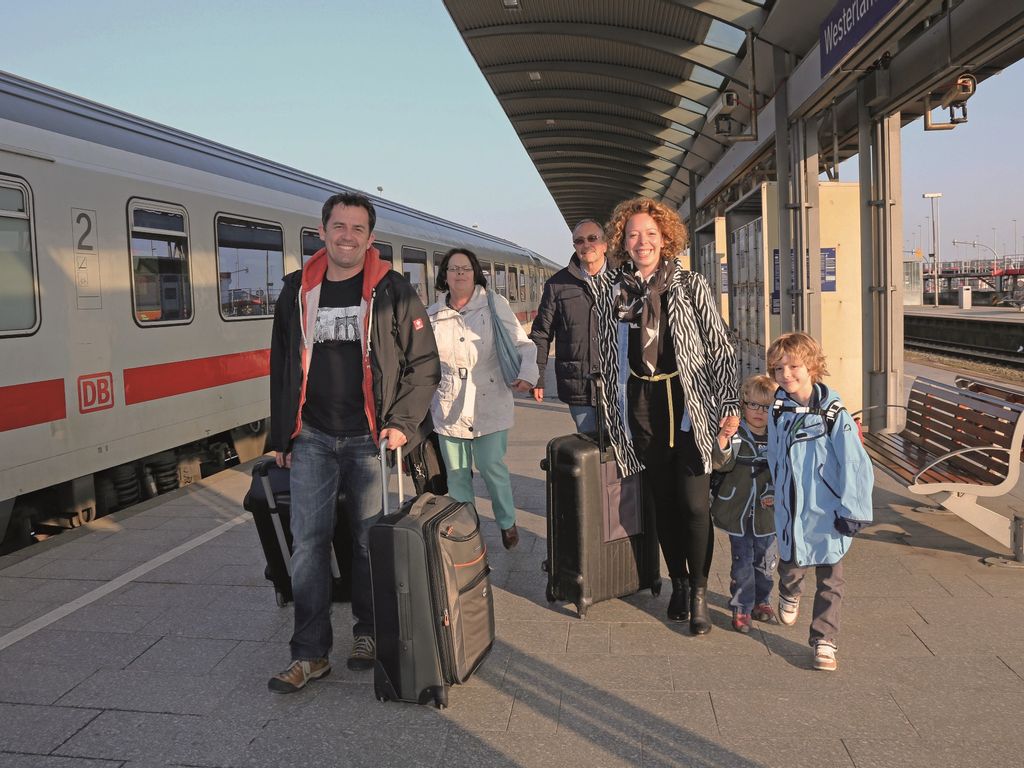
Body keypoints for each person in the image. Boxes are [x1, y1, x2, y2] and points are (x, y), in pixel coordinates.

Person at [267, 192, 440, 692]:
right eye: (338, 227)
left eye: (357, 229)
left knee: (368, 544)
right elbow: (281, 363)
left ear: (370, 237)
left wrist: (402, 423)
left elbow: (424, 364)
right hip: (313, 436)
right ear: (321, 231)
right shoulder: (296, 290)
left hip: (371, 438)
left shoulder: (392, 289)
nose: (347, 236)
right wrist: (282, 432)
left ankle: (367, 631)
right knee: (307, 546)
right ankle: (309, 653)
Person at [596, 197, 740, 635]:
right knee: (662, 501)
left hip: (688, 400)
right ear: (623, 240)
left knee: (694, 504)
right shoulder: (615, 292)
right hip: (641, 404)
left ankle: (698, 592)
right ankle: (676, 580)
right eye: (634, 234)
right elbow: (606, 355)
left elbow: (720, 347)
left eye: (651, 235)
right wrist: (610, 411)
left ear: (665, 239)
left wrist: (728, 405)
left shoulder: (690, 284)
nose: (642, 242)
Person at [766, 331, 873, 672]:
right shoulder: (778, 408)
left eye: (794, 366)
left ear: (812, 366)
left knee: (831, 578)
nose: (786, 375)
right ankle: (789, 590)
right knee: (791, 563)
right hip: (791, 508)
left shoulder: (832, 413)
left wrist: (854, 509)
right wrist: (774, 488)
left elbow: (855, 462)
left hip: (828, 510)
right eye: (778, 369)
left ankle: (823, 639)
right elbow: (773, 453)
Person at [427, 248, 538, 550]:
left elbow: (522, 343)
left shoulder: (494, 305)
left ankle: (506, 521)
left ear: (475, 273)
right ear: (444, 276)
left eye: (465, 268)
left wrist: (529, 374)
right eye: (453, 269)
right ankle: (468, 533)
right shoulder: (432, 315)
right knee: (458, 476)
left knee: (491, 465)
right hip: (448, 404)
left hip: (490, 400)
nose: (459, 274)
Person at [710, 374, 779, 634]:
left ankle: (763, 600)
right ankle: (742, 606)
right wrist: (724, 439)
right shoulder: (737, 433)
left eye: (766, 407)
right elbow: (722, 464)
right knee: (742, 561)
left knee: (765, 561)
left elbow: (783, 471)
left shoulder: (777, 436)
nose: (759, 412)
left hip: (767, 512)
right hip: (738, 508)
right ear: (743, 404)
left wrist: (773, 490)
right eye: (753, 405)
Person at [529, 218, 609, 433]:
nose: (586, 245)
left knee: (623, 454)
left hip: (618, 385)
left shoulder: (622, 281)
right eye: (579, 241)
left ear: (605, 244)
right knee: (590, 454)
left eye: (592, 238)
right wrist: (536, 375)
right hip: (578, 385)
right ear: (574, 246)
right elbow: (541, 334)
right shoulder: (557, 285)